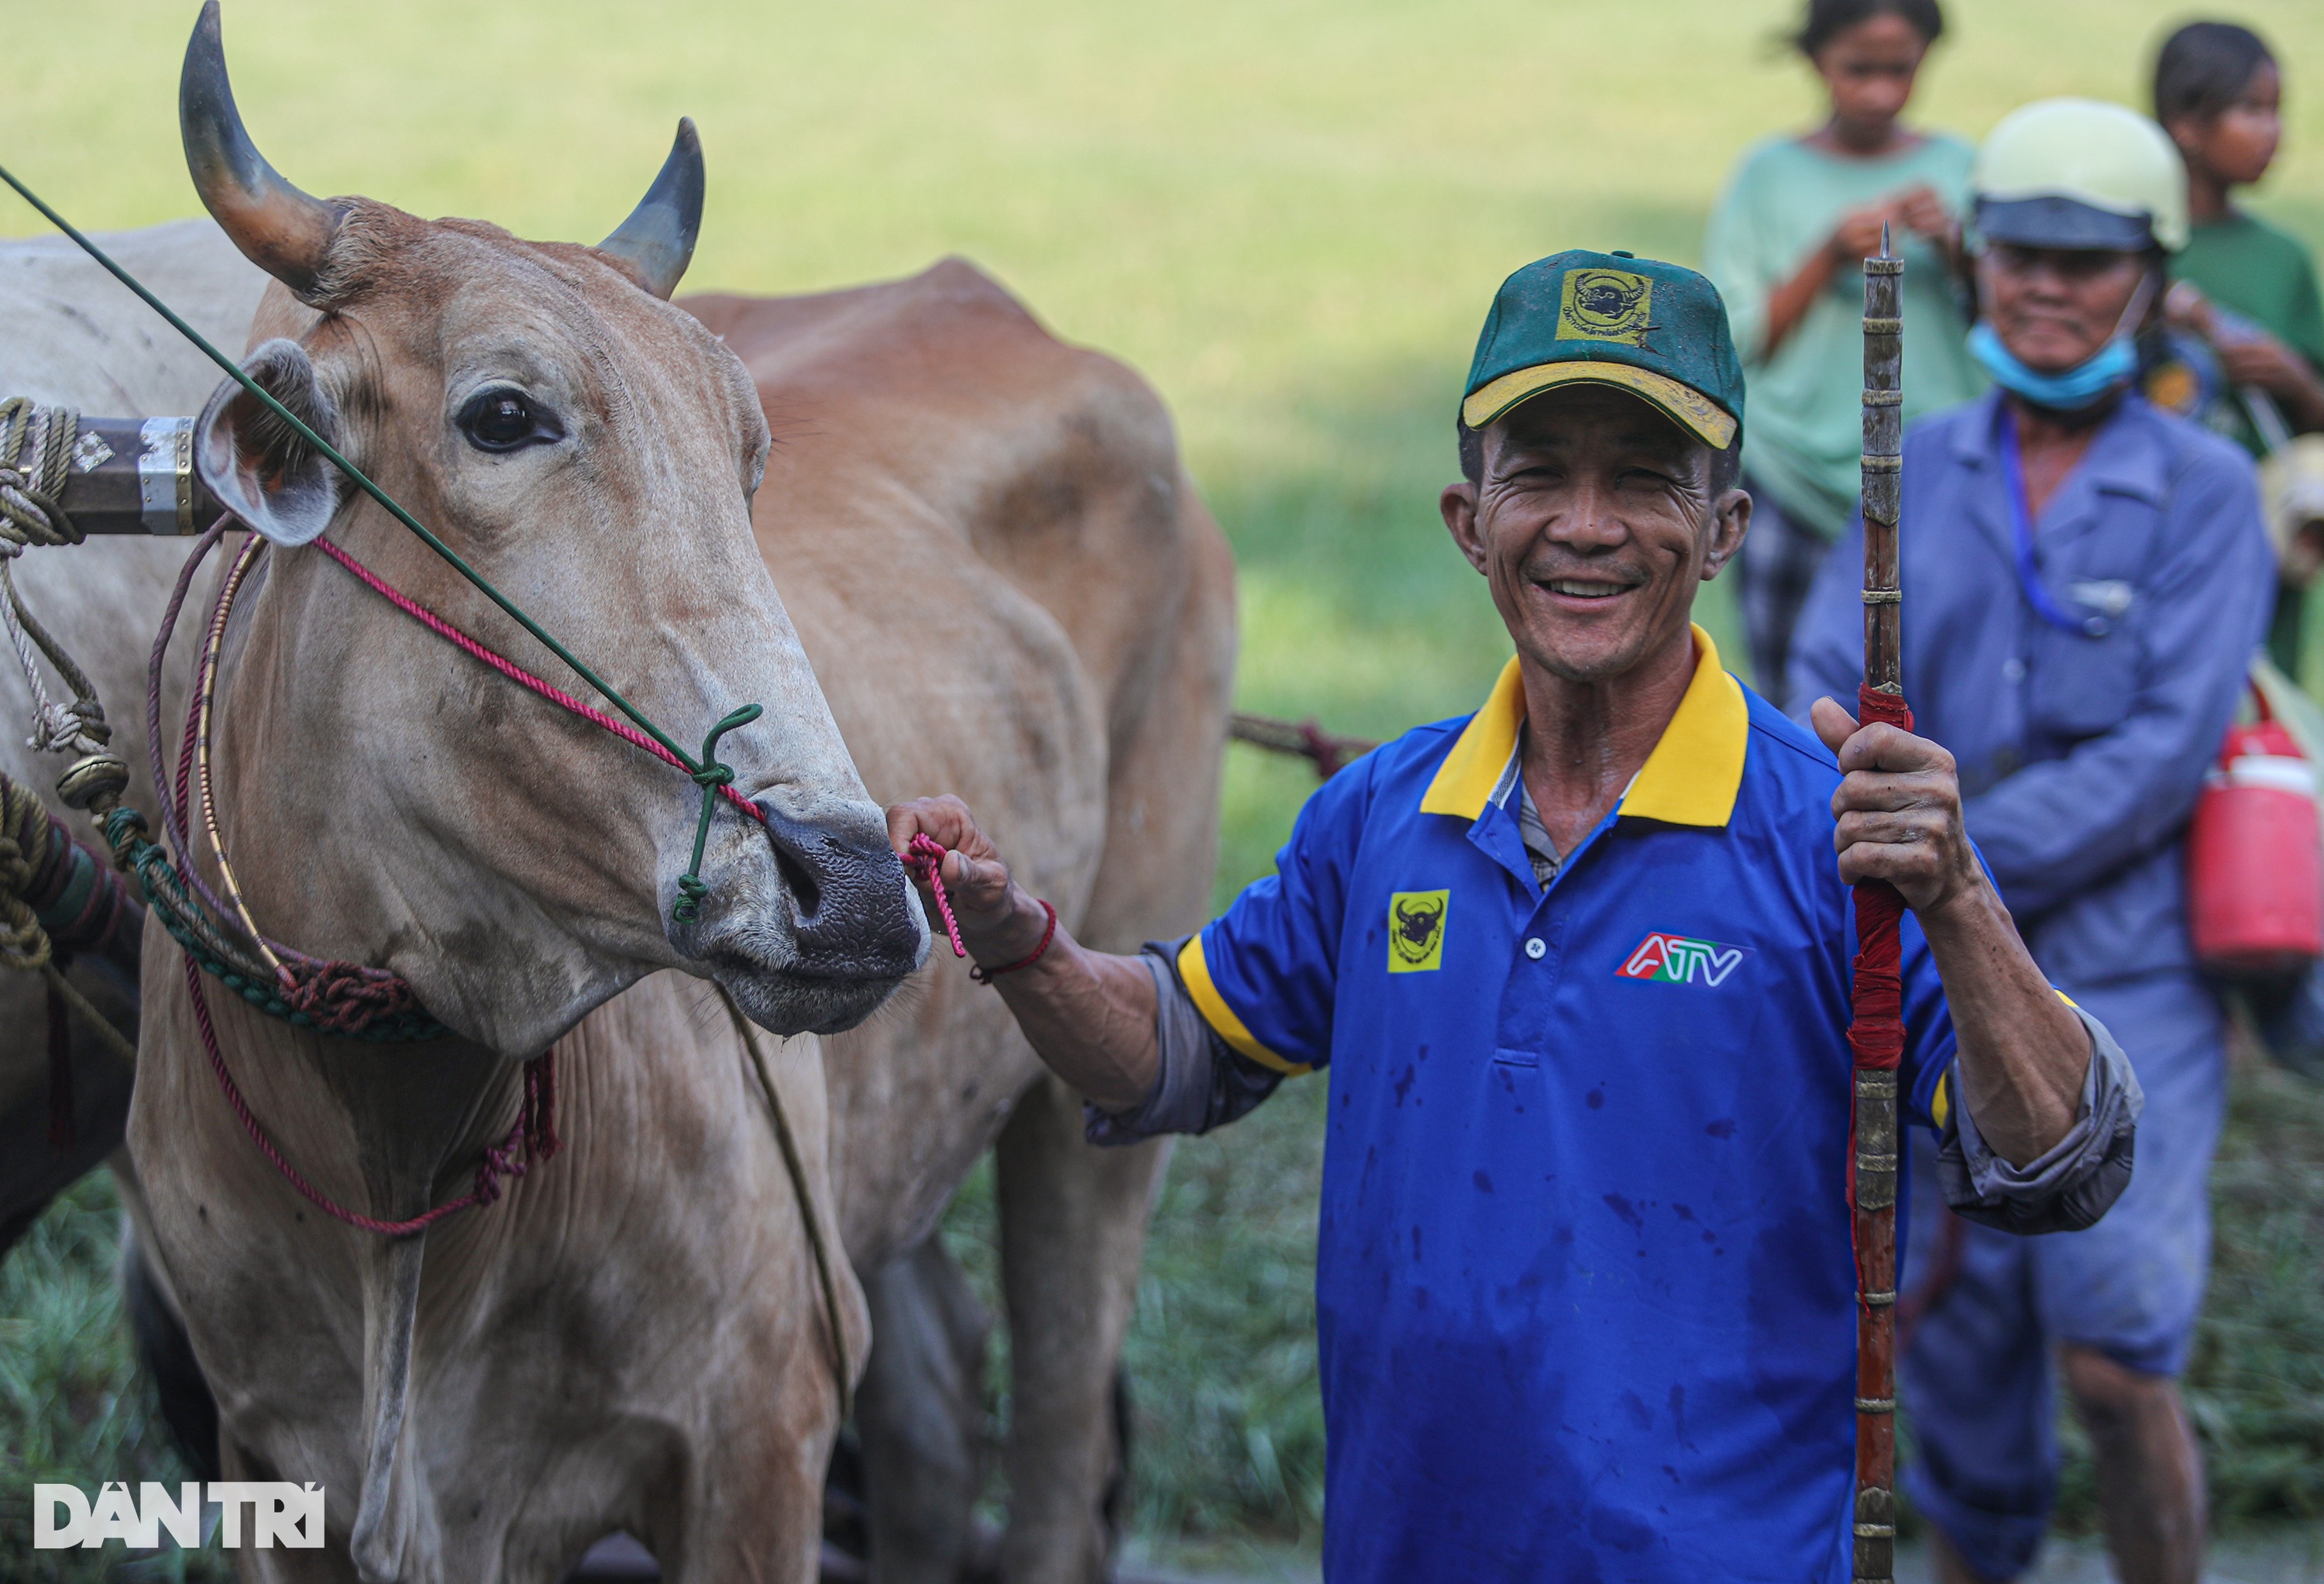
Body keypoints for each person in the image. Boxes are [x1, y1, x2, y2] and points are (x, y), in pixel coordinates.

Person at [891, 249, 2139, 1581]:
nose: (1586, 524)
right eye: (1539, 471)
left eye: (1646, 478)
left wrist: (1956, 899)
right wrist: (1025, 946)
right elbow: (1174, 1054)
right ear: (1467, 519)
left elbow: (2064, 1162)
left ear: (1725, 529)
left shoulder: (1827, 833)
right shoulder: (1385, 815)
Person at [1789, 98, 2274, 1584]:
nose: (2048, 289)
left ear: (2149, 277)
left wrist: (1947, 861)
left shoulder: (2206, 492)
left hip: (2122, 977)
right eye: (2021, 257)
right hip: (1922, 985)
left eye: (2086, 261)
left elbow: (2160, 758)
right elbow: (1811, 697)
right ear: (1977, 266)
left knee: (2118, 1361)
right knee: (1953, 1362)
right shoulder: (1914, 466)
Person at [1704, 0, 1984, 706]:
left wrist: (1953, 245)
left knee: (1937, 691)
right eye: (1859, 69)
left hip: (1933, 477)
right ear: (1815, 60)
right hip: (1794, 474)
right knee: (1794, 698)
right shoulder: (1768, 176)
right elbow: (1734, 342)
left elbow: (2009, 317)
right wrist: (1824, 253)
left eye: (1901, 69)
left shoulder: (1961, 169)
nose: (1880, 91)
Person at [2152, 19, 2324, 676]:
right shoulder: (2128, 252)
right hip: (2156, 534)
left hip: (2266, 550)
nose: (2274, 132)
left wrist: (2294, 378)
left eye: (2276, 112)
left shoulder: (2283, 261)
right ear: (2186, 124)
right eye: (2252, 110)